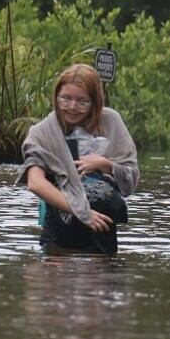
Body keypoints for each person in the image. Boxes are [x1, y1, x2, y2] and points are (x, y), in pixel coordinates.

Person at [18, 64, 139, 254]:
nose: (72, 107)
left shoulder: (111, 122)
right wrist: (83, 212)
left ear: (95, 102)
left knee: (102, 277)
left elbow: (131, 175)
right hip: (61, 225)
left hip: (102, 225)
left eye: (82, 102)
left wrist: (105, 164)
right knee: (55, 271)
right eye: (65, 99)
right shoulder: (42, 133)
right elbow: (35, 183)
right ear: (56, 97)